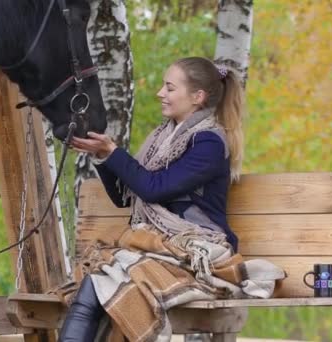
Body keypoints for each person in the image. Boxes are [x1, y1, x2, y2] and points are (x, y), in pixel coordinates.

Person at [58, 56, 258, 342]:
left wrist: (115, 152)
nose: (160, 93)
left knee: (99, 284)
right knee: (95, 284)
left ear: (197, 97)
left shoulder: (209, 143)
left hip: (196, 251)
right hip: (158, 247)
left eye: (170, 88)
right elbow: (124, 197)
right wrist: (103, 156)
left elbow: (153, 189)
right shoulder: (161, 139)